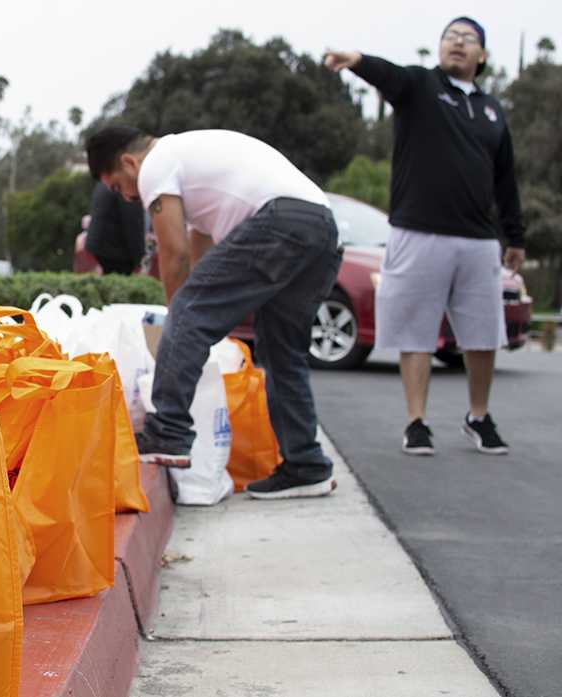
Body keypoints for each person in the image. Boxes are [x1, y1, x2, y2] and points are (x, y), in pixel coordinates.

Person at [85, 126, 342, 499]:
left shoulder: (156, 164)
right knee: (282, 350)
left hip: (280, 220)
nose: (126, 196)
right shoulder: (191, 163)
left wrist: (181, 320)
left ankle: (168, 431)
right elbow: (200, 252)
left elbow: (174, 257)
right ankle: (306, 465)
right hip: (320, 226)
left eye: (117, 185)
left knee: (189, 310)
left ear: (129, 161)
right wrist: (191, 316)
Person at [325, 16, 525, 456]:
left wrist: (515, 237)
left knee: (482, 334)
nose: (457, 43)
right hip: (418, 233)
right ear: (439, 48)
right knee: (414, 331)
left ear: (482, 55)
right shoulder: (419, 87)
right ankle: (417, 422)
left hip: (477, 240)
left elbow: (505, 178)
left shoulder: (492, 110)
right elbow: (388, 75)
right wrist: (357, 60)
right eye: (450, 37)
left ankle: (479, 417)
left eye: (467, 39)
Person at [84, 182, 146, 275]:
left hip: (100, 249)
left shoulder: (104, 182)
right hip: (116, 254)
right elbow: (132, 226)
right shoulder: (125, 186)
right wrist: (139, 260)